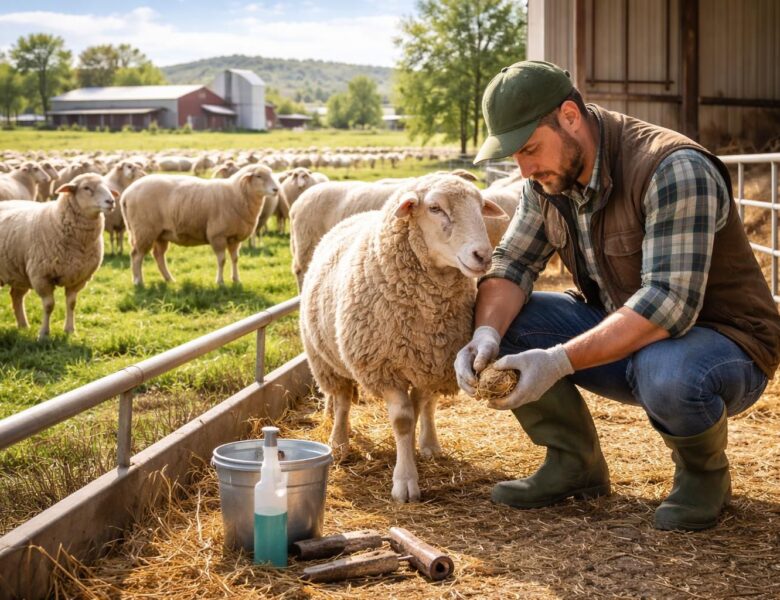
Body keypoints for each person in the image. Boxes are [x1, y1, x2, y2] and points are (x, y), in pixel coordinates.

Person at [455, 60, 780, 531]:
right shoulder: (547, 181)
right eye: (514, 156)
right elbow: (512, 265)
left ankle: (703, 474)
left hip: (722, 345)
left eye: (529, 149)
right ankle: (574, 464)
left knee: (667, 369)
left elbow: (667, 304)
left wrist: (557, 361)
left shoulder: (673, 167)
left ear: (569, 116)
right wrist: (485, 333)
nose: (523, 169)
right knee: (509, 322)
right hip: (625, 330)